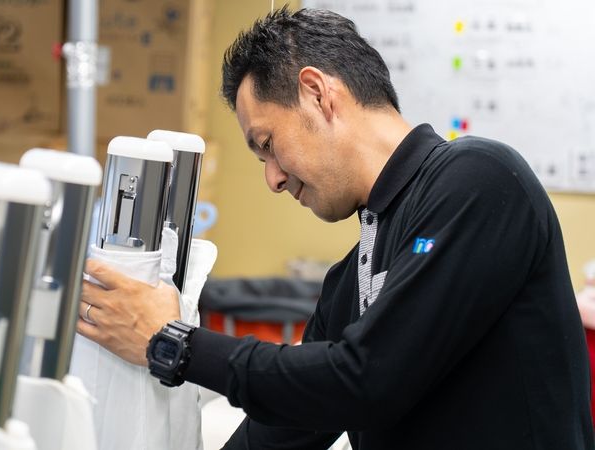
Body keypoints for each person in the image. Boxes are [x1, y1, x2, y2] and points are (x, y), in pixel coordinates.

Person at [76, 7, 594, 449]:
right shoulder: (350, 283)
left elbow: (366, 380)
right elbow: (286, 426)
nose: (273, 179)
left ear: (317, 94)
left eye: (267, 145)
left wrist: (177, 343)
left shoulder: (479, 180)